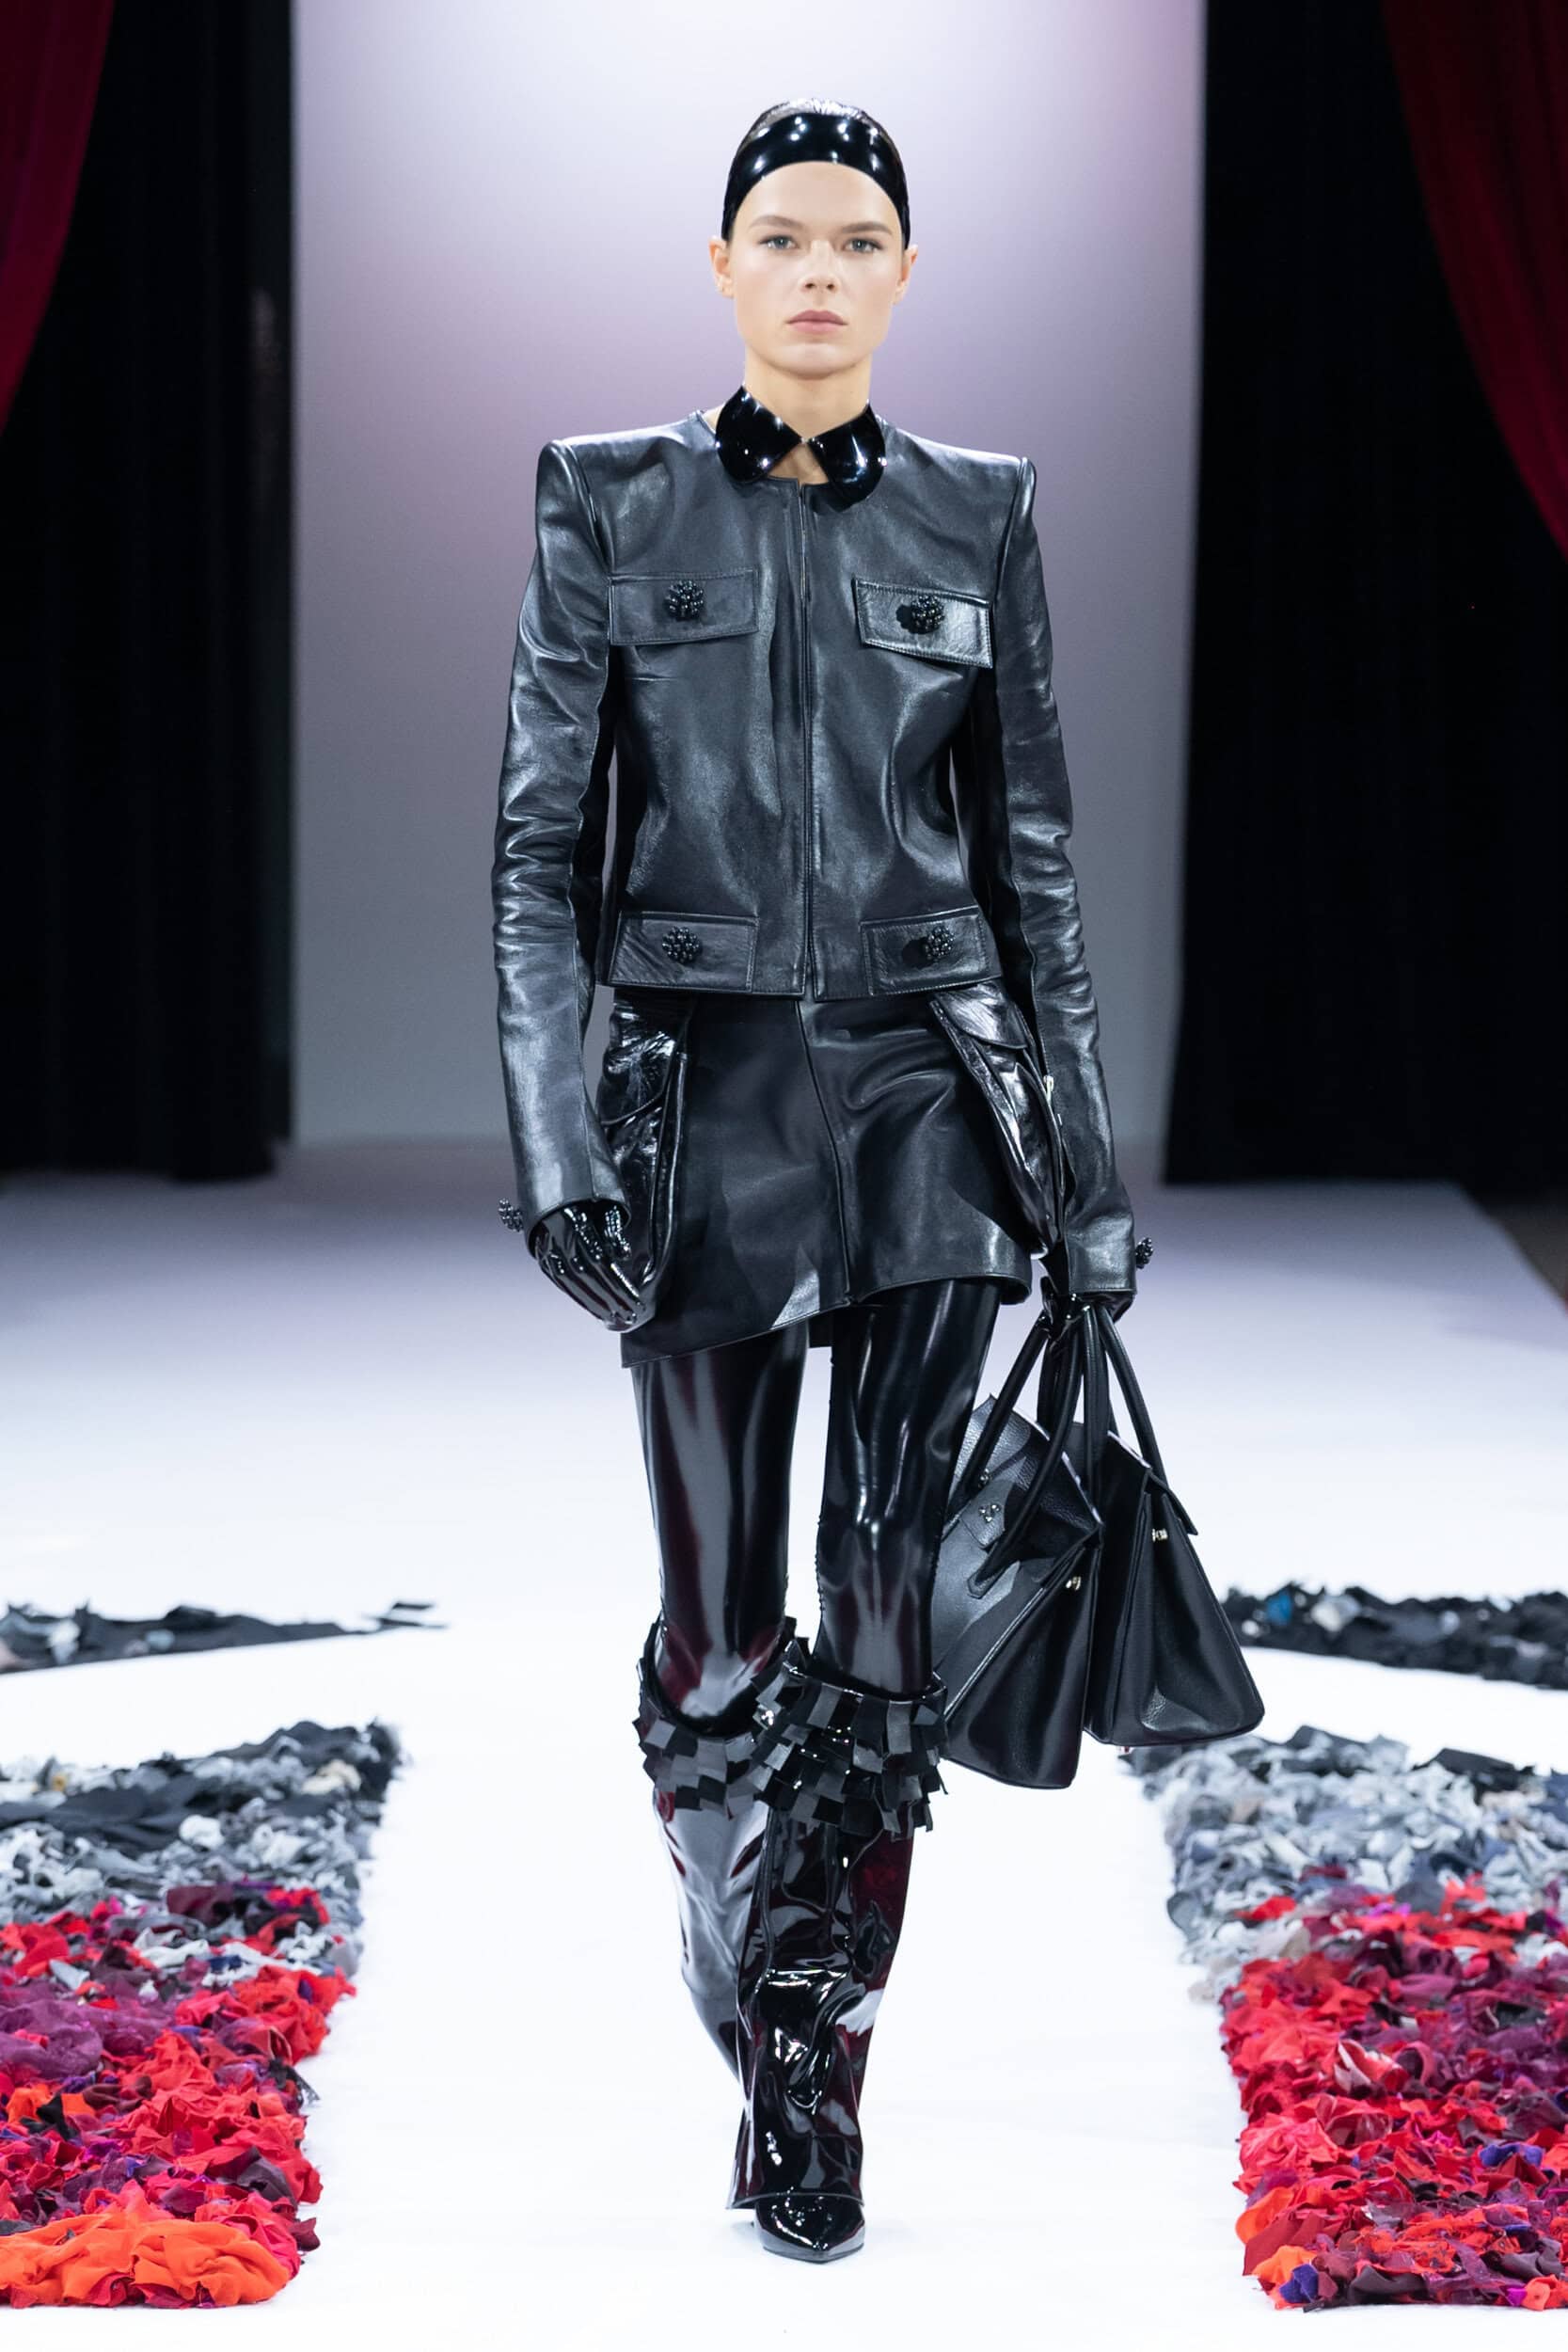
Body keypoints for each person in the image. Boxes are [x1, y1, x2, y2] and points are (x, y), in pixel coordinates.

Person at [490, 98, 1142, 2265]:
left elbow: (1033, 860)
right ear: (724, 263)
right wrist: (557, 1135)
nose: (820, 272)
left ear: (905, 271)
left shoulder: (981, 506)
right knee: (716, 1632)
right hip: (697, 1099)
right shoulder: (608, 497)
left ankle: (809, 2072)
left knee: (879, 1620)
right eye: (783, 235)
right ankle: (733, 1905)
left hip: (930, 1099)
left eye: (859, 238)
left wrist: (1082, 1161)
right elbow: (537, 851)